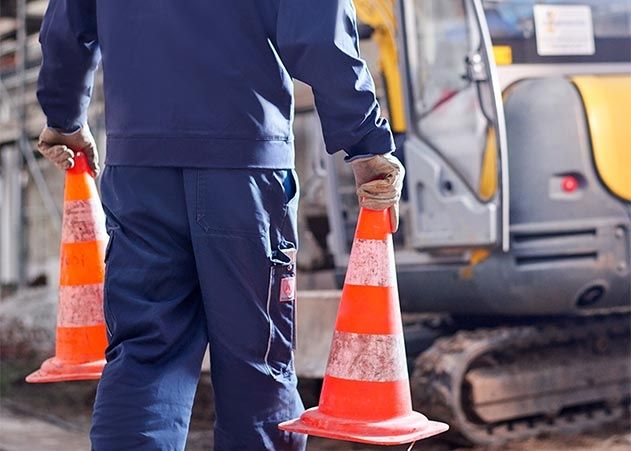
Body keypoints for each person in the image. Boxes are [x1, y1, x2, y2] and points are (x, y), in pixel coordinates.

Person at [36, 0, 404, 449]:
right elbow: (317, 29)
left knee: (145, 356)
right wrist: (365, 142)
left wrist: (64, 118)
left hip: (140, 168)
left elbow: (65, 28)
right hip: (244, 165)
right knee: (256, 364)